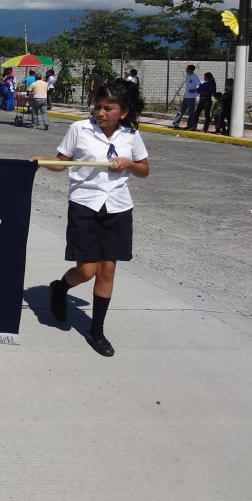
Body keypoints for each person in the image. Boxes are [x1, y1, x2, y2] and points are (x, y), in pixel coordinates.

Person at [35, 79, 150, 357]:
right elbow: (62, 162)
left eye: (108, 108)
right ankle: (60, 288)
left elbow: (144, 169)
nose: (100, 113)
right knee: (87, 270)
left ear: (123, 112)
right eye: (98, 107)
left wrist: (129, 164)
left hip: (118, 208)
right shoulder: (79, 129)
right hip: (85, 206)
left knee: (107, 269)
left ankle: (96, 331)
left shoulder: (130, 135)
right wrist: (39, 161)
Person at [170, 64, 201, 129]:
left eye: (188, 68)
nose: (186, 70)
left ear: (191, 69)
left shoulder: (194, 76)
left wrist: (194, 90)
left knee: (191, 112)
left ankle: (190, 125)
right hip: (186, 96)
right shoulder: (188, 76)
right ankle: (175, 123)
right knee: (181, 110)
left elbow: (200, 85)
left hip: (191, 97)